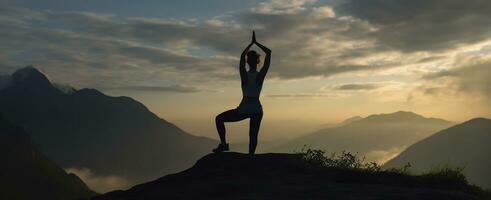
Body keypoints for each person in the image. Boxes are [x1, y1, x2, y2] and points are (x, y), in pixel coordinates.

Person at [213, 31, 272, 155]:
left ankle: (224, 144)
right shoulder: (260, 76)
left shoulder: (244, 75)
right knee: (253, 136)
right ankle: (251, 157)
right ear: (257, 61)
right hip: (256, 109)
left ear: (247, 62)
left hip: (243, 109)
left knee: (219, 119)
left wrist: (250, 44)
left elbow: (241, 56)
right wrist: (256, 43)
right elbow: (269, 52)